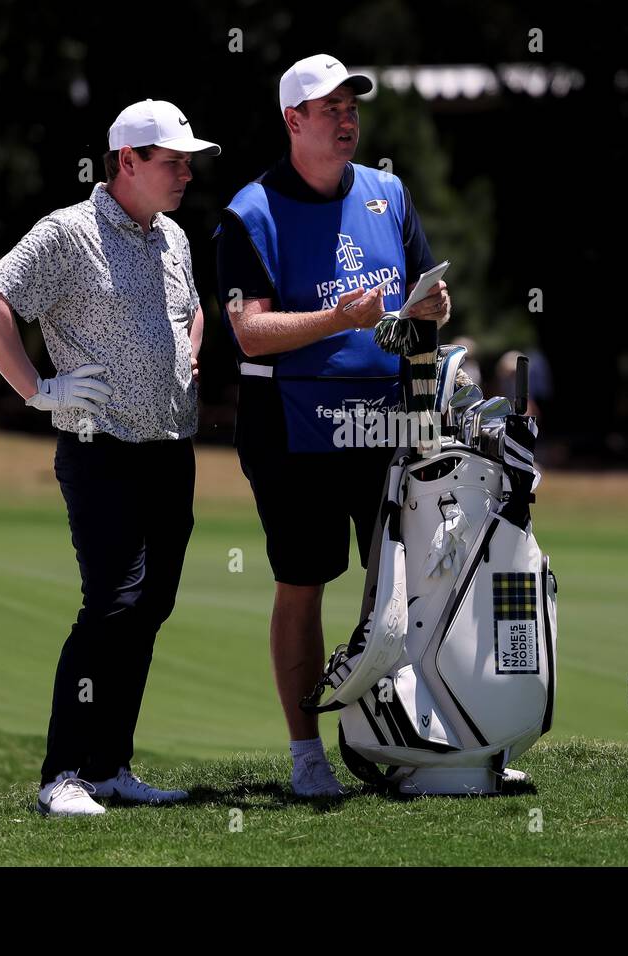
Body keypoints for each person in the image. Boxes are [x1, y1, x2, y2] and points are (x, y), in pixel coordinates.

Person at [0, 99, 218, 816]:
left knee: (150, 606)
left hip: (171, 447)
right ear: (126, 162)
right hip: (99, 446)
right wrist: (38, 388)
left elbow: (192, 308)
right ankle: (61, 776)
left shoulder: (171, 237)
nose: (185, 174)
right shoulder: (68, 234)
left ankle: (109, 767)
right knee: (110, 606)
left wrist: (190, 353)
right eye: (172, 162)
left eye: (187, 162)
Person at [215, 54, 451, 796]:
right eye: (329, 108)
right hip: (292, 429)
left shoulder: (388, 194)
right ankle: (306, 755)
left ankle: (414, 742)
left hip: (385, 424)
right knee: (303, 583)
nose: (347, 119)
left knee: (407, 587)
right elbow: (250, 334)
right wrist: (336, 319)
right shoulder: (249, 212)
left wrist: (429, 320)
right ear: (293, 120)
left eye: (352, 106)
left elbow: (411, 327)